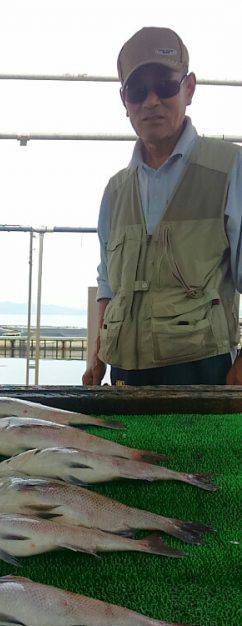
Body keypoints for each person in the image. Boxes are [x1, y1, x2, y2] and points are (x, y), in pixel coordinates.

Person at [82, 27, 242, 387]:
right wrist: (96, 357)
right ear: (124, 101)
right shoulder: (115, 191)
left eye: (165, 85)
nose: (151, 100)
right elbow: (108, 285)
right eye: (138, 91)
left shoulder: (231, 168)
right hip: (122, 378)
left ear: (189, 88)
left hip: (204, 376)